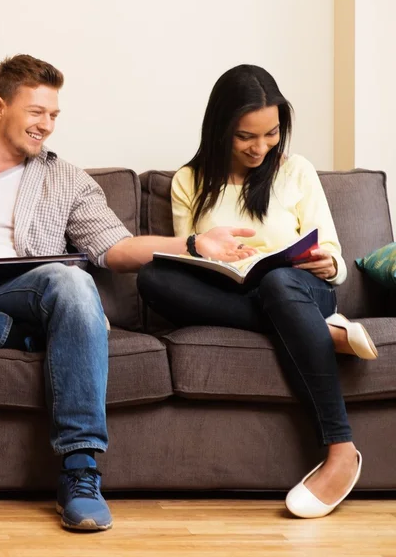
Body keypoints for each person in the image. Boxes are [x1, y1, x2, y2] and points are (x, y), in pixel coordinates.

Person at [0, 54, 257, 532]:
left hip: (16, 287)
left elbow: (116, 247)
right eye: (36, 112)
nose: (47, 125)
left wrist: (192, 244)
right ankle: (6, 335)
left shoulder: (67, 180)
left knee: (72, 278)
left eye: (54, 115)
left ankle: (79, 472)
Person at [137, 64, 378, 519]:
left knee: (279, 281)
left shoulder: (296, 171)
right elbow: (188, 263)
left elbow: (332, 255)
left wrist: (329, 263)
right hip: (233, 293)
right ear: (220, 128)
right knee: (153, 279)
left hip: (300, 286)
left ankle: (341, 449)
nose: (261, 147)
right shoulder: (189, 181)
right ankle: (318, 333)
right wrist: (213, 255)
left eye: (271, 134)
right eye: (247, 136)